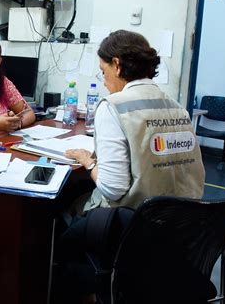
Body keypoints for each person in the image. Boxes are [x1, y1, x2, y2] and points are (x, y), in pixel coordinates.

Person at [55, 30, 205, 303]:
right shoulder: (176, 107)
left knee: (60, 219)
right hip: (178, 225)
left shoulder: (114, 107)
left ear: (117, 64)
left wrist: (89, 162)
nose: (103, 80)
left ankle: (87, 289)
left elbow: (113, 188)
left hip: (132, 226)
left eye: (103, 71)